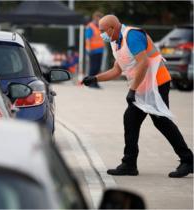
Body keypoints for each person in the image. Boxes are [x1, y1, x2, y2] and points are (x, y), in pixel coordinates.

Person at [81, 14, 193, 178]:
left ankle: (188, 160)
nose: (101, 34)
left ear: (113, 28)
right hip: (142, 86)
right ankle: (129, 164)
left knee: (161, 122)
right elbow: (116, 70)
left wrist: (132, 90)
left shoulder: (132, 36)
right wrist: (95, 78)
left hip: (157, 83)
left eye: (103, 30)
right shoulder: (116, 42)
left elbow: (144, 63)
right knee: (130, 120)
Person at [85, 11, 105, 88]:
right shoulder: (90, 26)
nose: (101, 20)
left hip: (100, 50)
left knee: (97, 68)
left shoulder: (99, 26)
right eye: (100, 18)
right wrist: (89, 49)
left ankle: (95, 82)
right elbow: (88, 39)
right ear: (96, 18)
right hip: (93, 50)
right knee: (93, 68)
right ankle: (90, 83)